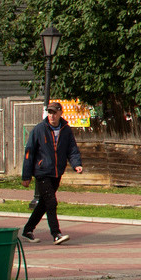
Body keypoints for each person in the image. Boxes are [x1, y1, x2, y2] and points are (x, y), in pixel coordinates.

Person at [21, 102, 83, 244]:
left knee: (43, 203)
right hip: (42, 172)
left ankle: (27, 230)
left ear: (60, 113)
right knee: (51, 202)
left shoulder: (66, 130)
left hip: (56, 172)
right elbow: (29, 153)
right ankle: (56, 234)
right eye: (49, 112)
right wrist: (26, 176)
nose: (52, 116)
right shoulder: (39, 129)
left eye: (54, 113)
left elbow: (72, 149)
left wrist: (76, 164)